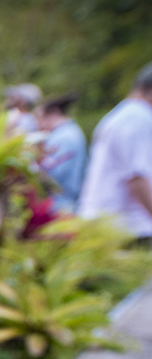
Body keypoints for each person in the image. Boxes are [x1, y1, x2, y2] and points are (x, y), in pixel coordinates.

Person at [78, 62, 152, 242]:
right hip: (128, 227)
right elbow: (137, 177)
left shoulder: (119, 115)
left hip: (104, 222)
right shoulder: (139, 119)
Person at [36, 94, 87, 214]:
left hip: (60, 206)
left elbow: (53, 173)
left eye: (40, 118)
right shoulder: (69, 133)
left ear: (54, 113)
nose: (39, 124)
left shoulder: (64, 137)